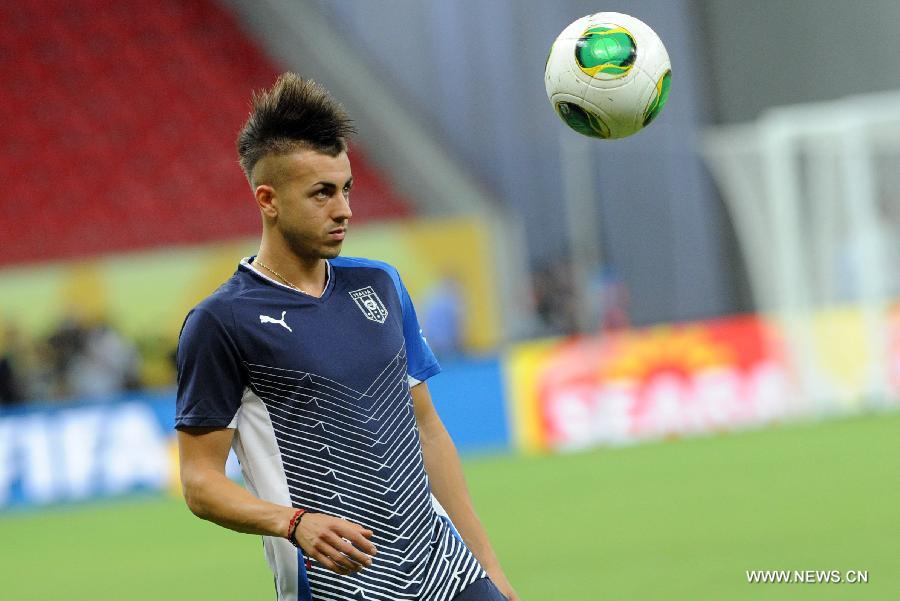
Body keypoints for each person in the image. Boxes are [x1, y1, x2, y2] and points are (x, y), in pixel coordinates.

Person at [175, 73, 517, 601]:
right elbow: (200, 482)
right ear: (268, 199)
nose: (344, 209)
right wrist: (294, 524)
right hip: (341, 587)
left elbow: (427, 430)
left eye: (347, 188)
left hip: (447, 573)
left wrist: (488, 568)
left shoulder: (379, 282)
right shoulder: (222, 322)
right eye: (322, 193)